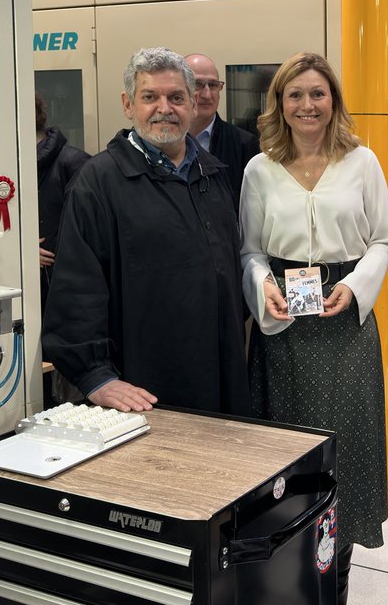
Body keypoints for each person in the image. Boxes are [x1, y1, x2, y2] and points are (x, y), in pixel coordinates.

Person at [239, 51, 388, 605]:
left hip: (344, 320)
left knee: (343, 448)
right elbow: (250, 250)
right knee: (284, 451)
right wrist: (263, 287)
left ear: (334, 101)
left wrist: (355, 288)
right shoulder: (259, 170)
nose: (308, 105)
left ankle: (334, 581)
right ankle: (284, 578)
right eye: (295, 95)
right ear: (279, 103)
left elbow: (383, 240)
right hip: (283, 324)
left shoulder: (362, 162)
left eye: (318, 94)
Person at [41, 47, 250, 415]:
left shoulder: (212, 174)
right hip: (145, 388)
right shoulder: (99, 183)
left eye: (176, 97)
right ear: (128, 105)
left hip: (220, 376)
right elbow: (76, 289)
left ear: (193, 104)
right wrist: (96, 377)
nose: (164, 109)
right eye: (150, 97)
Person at [35, 93, 90, 310]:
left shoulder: (75, 162)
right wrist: (20, 249)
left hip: (65, 284)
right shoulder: (6, 163)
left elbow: (92, 228)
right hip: (26, 282)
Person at [184, 53, 260, 207]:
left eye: (213, 85)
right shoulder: (164, 140)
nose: (207, 94)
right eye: (197, 84)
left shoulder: (244, 144)